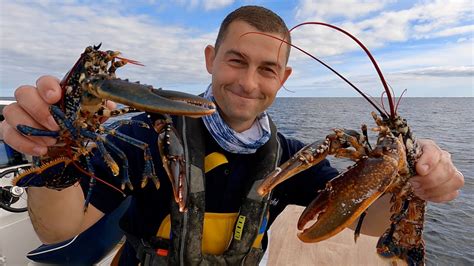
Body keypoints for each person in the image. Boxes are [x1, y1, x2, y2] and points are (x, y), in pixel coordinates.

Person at [0, 5, 464, 266]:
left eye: (267, 70)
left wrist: (410, 185)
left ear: (282, 79)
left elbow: (371, 226)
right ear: (210, 58)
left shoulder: (289, 155)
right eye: (236, 60)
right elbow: (58, 228)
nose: (248, 83)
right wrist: (55, 148)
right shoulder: (143, 134)